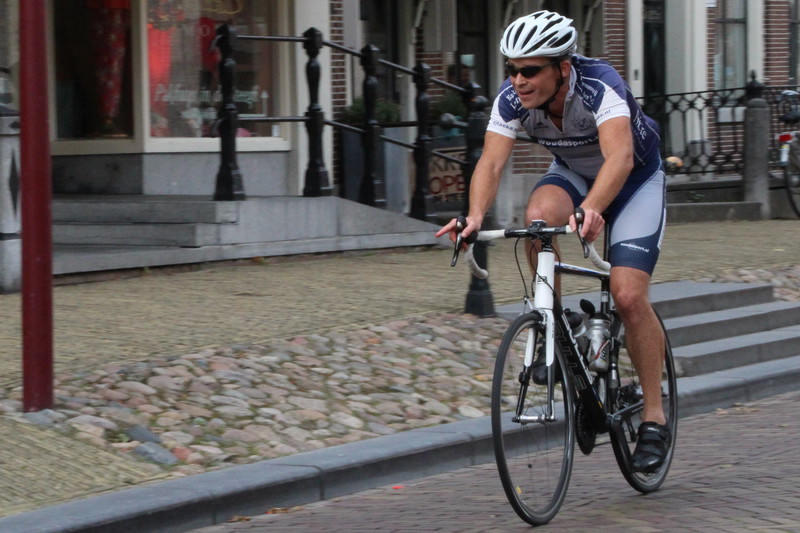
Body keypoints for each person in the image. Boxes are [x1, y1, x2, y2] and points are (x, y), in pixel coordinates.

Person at [435, 10, 669, 473]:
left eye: (530, 70)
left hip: (634, 181)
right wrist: (475, 216)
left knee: (627, 294)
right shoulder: (512, 99)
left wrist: (594, 208)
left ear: (562, 68)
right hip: (574, 175)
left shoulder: (599, 85)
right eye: (511, 69)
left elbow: (621, 157)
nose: (518, 80)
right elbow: (491, 163)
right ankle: (556, 324)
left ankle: (654, 418)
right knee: (537, 220)